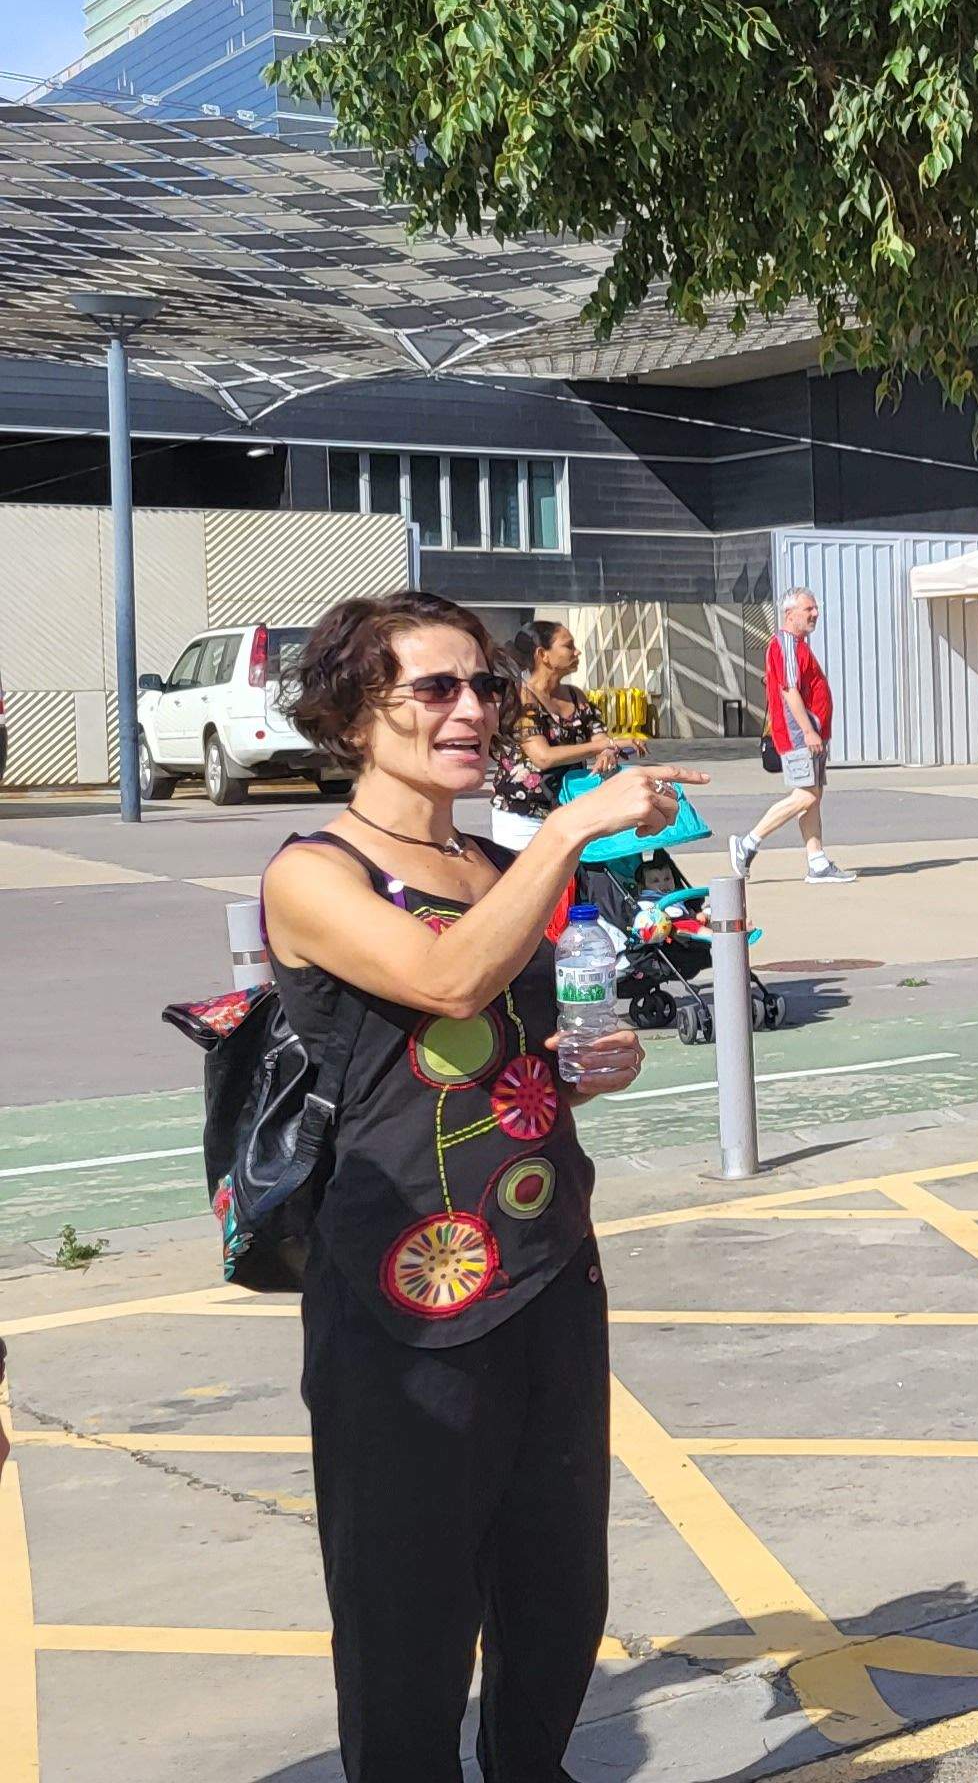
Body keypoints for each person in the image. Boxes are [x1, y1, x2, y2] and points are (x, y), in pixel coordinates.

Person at [260, 590, 695, 1779]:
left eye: (487, 686)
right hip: (402, 1296)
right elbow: (447, 981)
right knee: (407, 1615)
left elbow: (503, 1046)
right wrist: (570, 830)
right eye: (437, 688)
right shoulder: (317, 873)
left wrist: (587, 1065)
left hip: (546, 1265)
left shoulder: (498, 863)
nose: (473, 710)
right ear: (353, 713)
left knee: (556, 1590)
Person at [732, 589, 854, 883]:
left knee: (812, 797)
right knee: (806, 795)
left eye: (815, 608)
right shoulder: (785, 643)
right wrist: (809, 731)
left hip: (809, 735)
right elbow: (789, 689)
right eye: (808, 609)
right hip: (799, 736)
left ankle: (817, 861)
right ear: (790, 614)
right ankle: (748, 843)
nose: (815, 614)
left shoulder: (796, 646)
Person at [488, 619, 637, 852]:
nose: (577, 652)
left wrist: (608, 749)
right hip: (523, 815)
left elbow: (598, 735)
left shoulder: (576, 696)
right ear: (543, 655)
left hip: (569, 811)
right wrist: (605, 745)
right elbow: (543, 757)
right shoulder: (521, 697)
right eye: (568, 646)